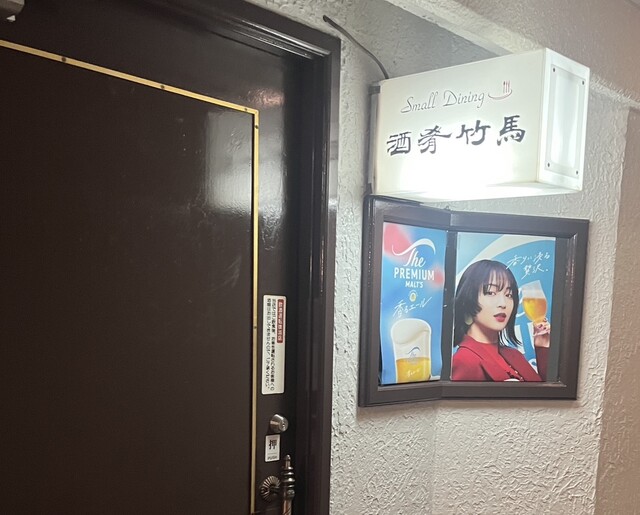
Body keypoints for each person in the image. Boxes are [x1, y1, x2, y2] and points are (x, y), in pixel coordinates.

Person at [451, 259, 549, 382]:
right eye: (491, 293)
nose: (503, 304)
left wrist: (542, 348)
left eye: (509, 295)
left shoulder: (514, 355)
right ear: (468, 299)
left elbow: (545, 393)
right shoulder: (464, 361)